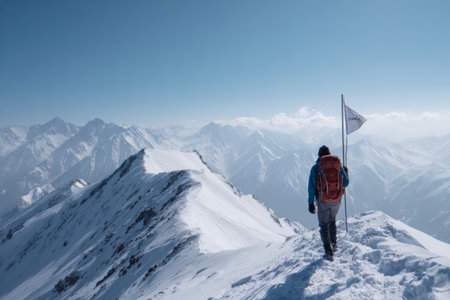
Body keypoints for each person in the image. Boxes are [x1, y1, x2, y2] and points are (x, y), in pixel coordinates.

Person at [308, 145, 349, 261]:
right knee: (332, 221)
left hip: (323, 200)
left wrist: (311, 203)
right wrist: (346, 172)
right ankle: (334, 244)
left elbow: (311, 188)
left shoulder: (316, 168)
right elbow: (345, 183)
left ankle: (328, 251)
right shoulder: (338, 166)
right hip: (336, 200)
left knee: (324, 226)